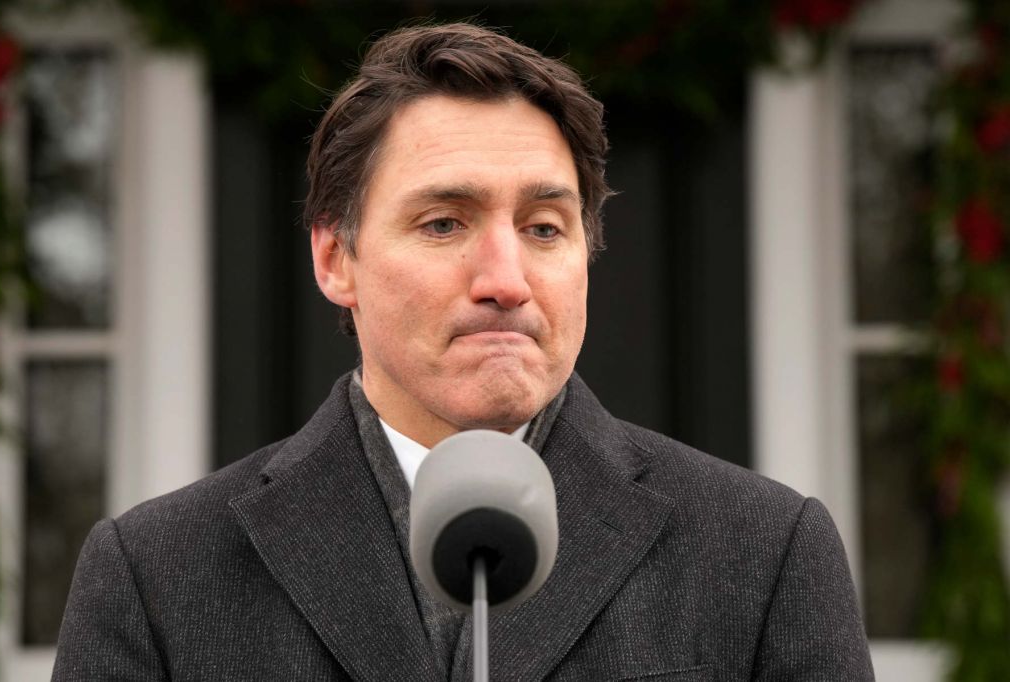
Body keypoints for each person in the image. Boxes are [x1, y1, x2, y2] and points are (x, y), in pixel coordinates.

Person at [53, 23, 873, 681]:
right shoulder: (154, 576)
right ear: (336, 259)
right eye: (444, 223)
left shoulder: (766, 554)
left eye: (544, 228)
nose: (506, 280)